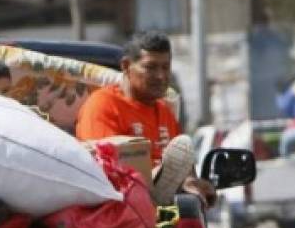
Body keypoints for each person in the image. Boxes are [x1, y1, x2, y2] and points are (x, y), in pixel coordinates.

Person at [76, 31, 215, 207]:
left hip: (168, 215)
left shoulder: (165, 111)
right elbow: (105, 170)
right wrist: (153, 175)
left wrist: (194, 184)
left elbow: (186, 167)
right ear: (126, 66)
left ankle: (163, 189)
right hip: (122, 203)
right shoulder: (103, 105)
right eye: (151, 67)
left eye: (166, 67)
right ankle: (155, 188)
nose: (161, 76)